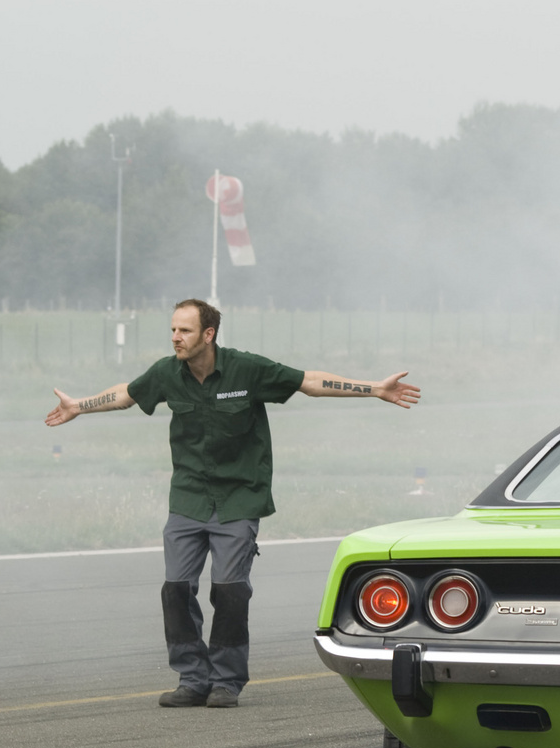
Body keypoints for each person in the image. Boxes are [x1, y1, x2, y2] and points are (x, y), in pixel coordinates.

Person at [45, 298, 420, 708]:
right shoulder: (167, 373)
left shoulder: (247, 369)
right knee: (175, 590)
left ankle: (226, 680)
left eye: (184, 331)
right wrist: (78, 406)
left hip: (240, 498)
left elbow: (309, 382)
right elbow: (127, 395)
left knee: (230, 591)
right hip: (188, 498)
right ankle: (192, 678)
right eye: (172, 329)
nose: (175, 337)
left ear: (208, 334)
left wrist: (373, 389)